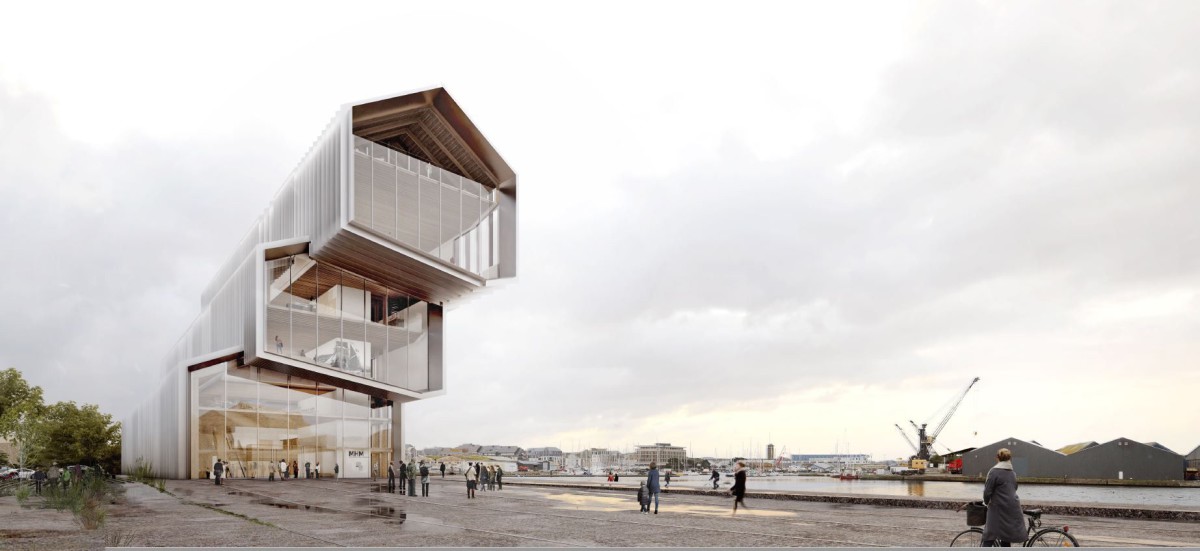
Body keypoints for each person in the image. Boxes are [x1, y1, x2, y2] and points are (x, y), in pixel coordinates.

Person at [982, 448, 1026, 547]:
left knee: (989, 534)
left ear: (997, 458)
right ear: (1009, 458)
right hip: (1012, 507)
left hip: (998, 508)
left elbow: (987, 491)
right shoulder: (1012, 473)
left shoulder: (994, 472)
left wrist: (985, 502)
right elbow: (1015, 487)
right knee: (1006, 536)